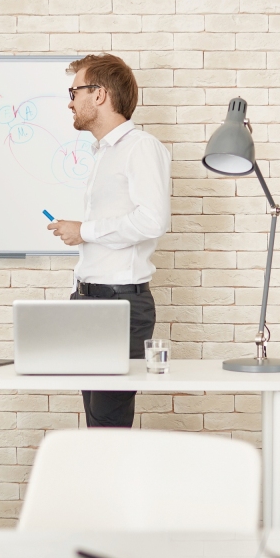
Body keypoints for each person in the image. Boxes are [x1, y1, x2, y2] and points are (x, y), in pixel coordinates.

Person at [47, 54, 171, 428]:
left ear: (99, 94)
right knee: (97, 422)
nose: (70, 102)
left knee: (107, 424)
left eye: (74, 92)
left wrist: (84, 231)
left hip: (119, 305)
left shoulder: (140, 147)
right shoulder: (103, 153)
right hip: (89, 301)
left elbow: (153, 220)